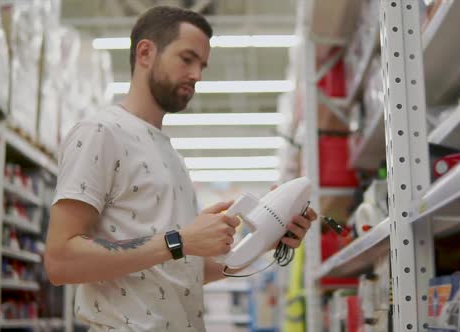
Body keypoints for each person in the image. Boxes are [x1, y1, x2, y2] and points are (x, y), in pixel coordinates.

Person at [44, 6, 317, 332]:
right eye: (187, 59)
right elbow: (60, 260)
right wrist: (180, 241)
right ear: (145, 52)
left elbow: (183, 271)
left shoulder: (170, 156)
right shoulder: (101, 133)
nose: (197, 75)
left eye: (201, 65)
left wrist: (267, 240)